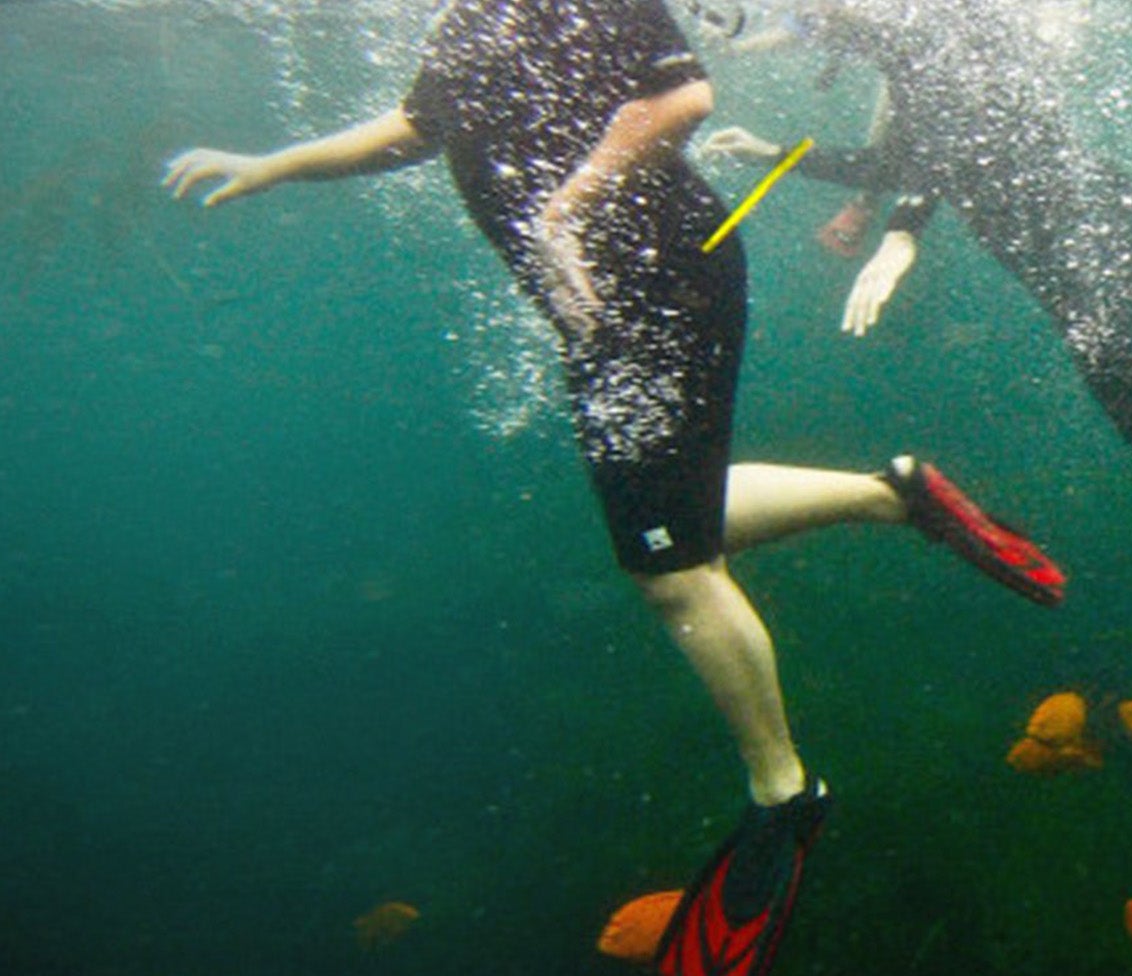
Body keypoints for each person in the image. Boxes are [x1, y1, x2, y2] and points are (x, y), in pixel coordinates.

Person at [161, 1, 1065, 973]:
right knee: (675, 520)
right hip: (607, 310)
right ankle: (895, 495)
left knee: (668, 565)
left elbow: (682, 96)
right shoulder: (465, 21)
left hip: (664, 279)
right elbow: (417, 128)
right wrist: (274, 164)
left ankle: (784, 794)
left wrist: (568, 205)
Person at [699, 0, 1132, 500]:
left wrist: (901, 234)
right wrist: (775, 152)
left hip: (1092, 231)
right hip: (1062, 266)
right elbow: (905, 153)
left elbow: (935, 144)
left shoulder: (952, 28)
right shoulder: (909, 58)